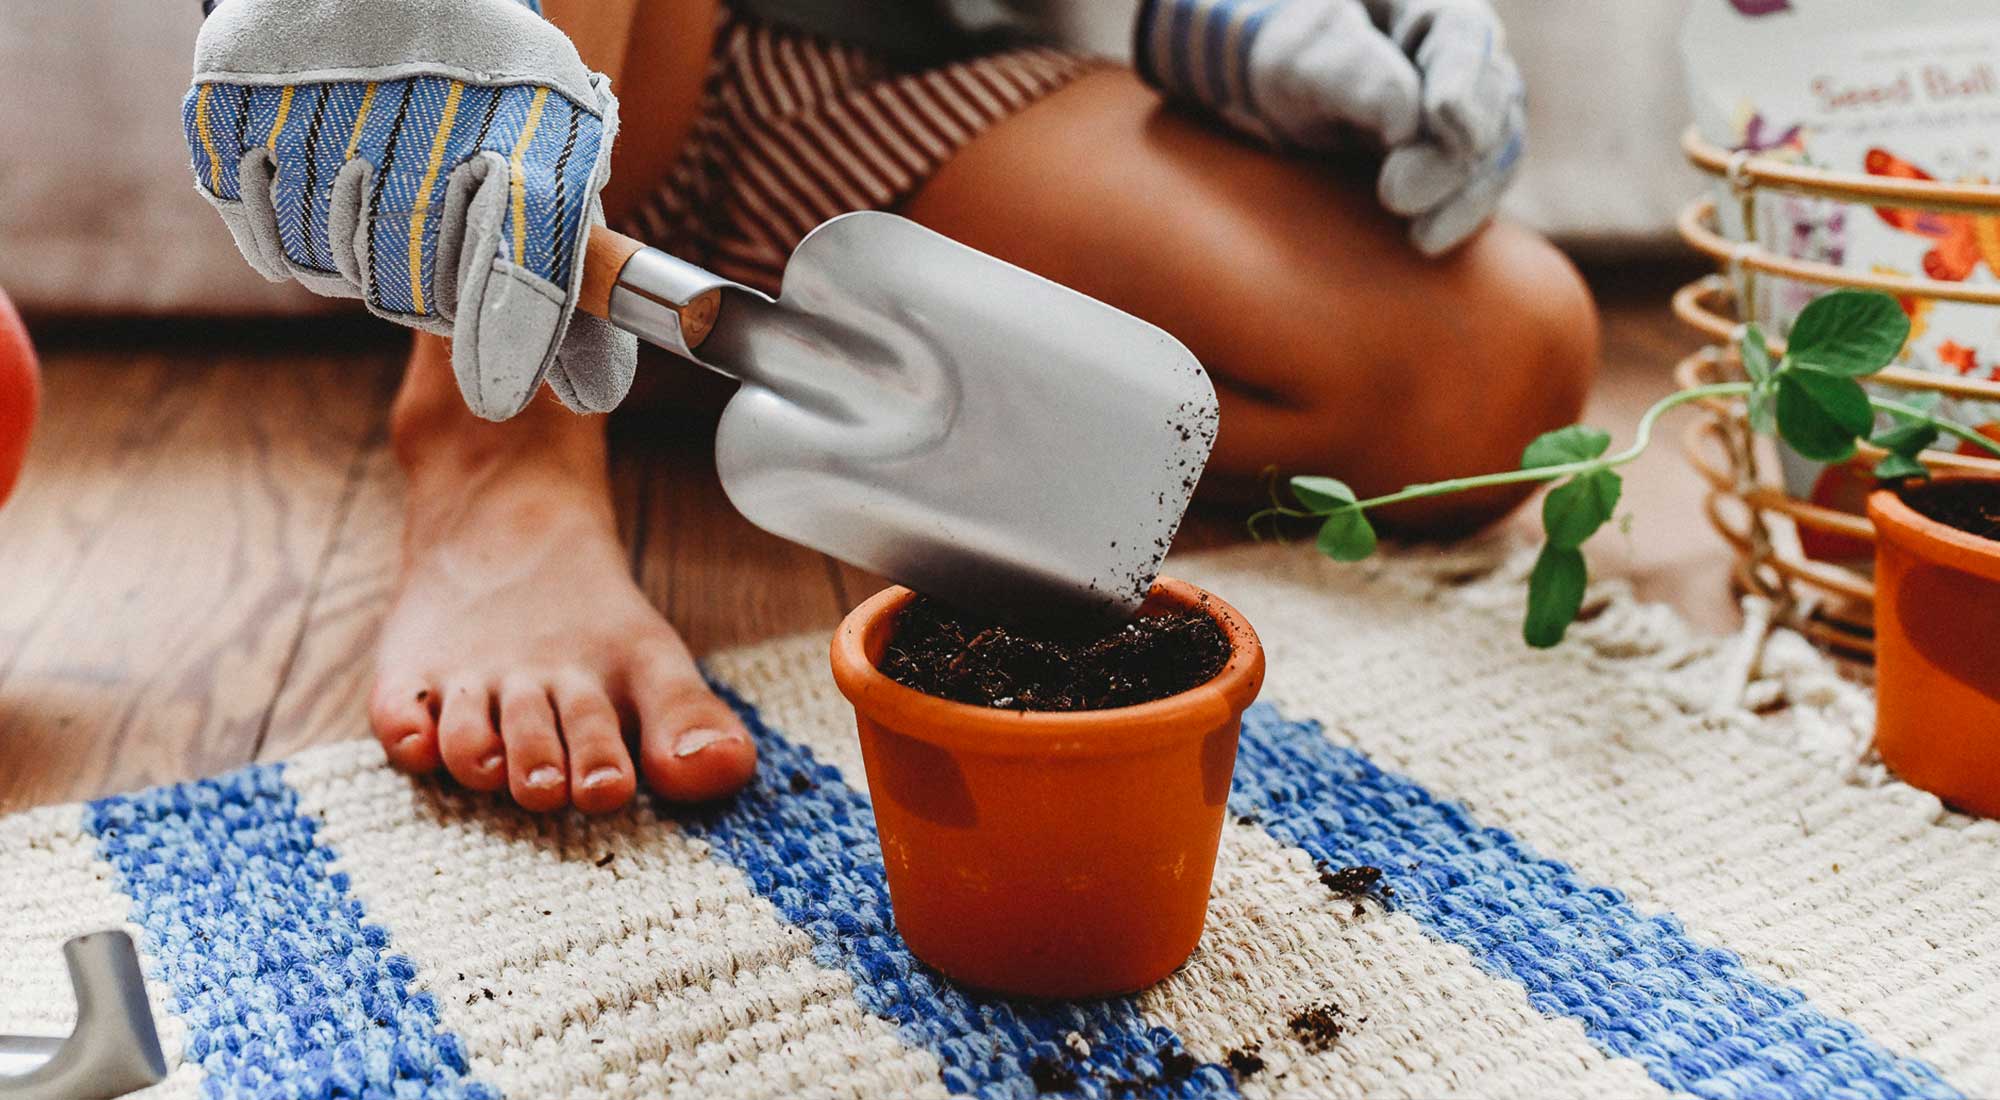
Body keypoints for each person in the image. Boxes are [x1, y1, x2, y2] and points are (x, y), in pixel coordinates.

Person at [184, 0, 1596, 814]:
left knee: (1500, 366)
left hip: (854, 64)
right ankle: (503, 441)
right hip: (492, 59)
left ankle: (659, 322)